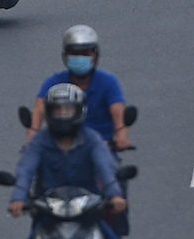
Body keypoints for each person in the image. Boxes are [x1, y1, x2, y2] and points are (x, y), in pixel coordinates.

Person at [9, 83, 127, 229]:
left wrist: (115, 195)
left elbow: (105, 167)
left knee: (109, 235)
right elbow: (26, 169)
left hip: (88, 210)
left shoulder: (92, 139)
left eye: (68, 109)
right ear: (49, 112)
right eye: (57, 110)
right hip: (47, 212)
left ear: (79, 110)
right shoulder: (39, 142)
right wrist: (19, 198)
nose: (62, 114)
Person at [28, 26, 132, 148]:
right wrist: (32, 134)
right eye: (75, 54)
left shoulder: (108, 82)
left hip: (102, 148)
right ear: (66, 56)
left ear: (95, 55)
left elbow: (117, 110)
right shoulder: (54, 82)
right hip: (62, 150)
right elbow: (39, 108)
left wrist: (121, 135)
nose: (80, 58)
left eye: (85, 53)